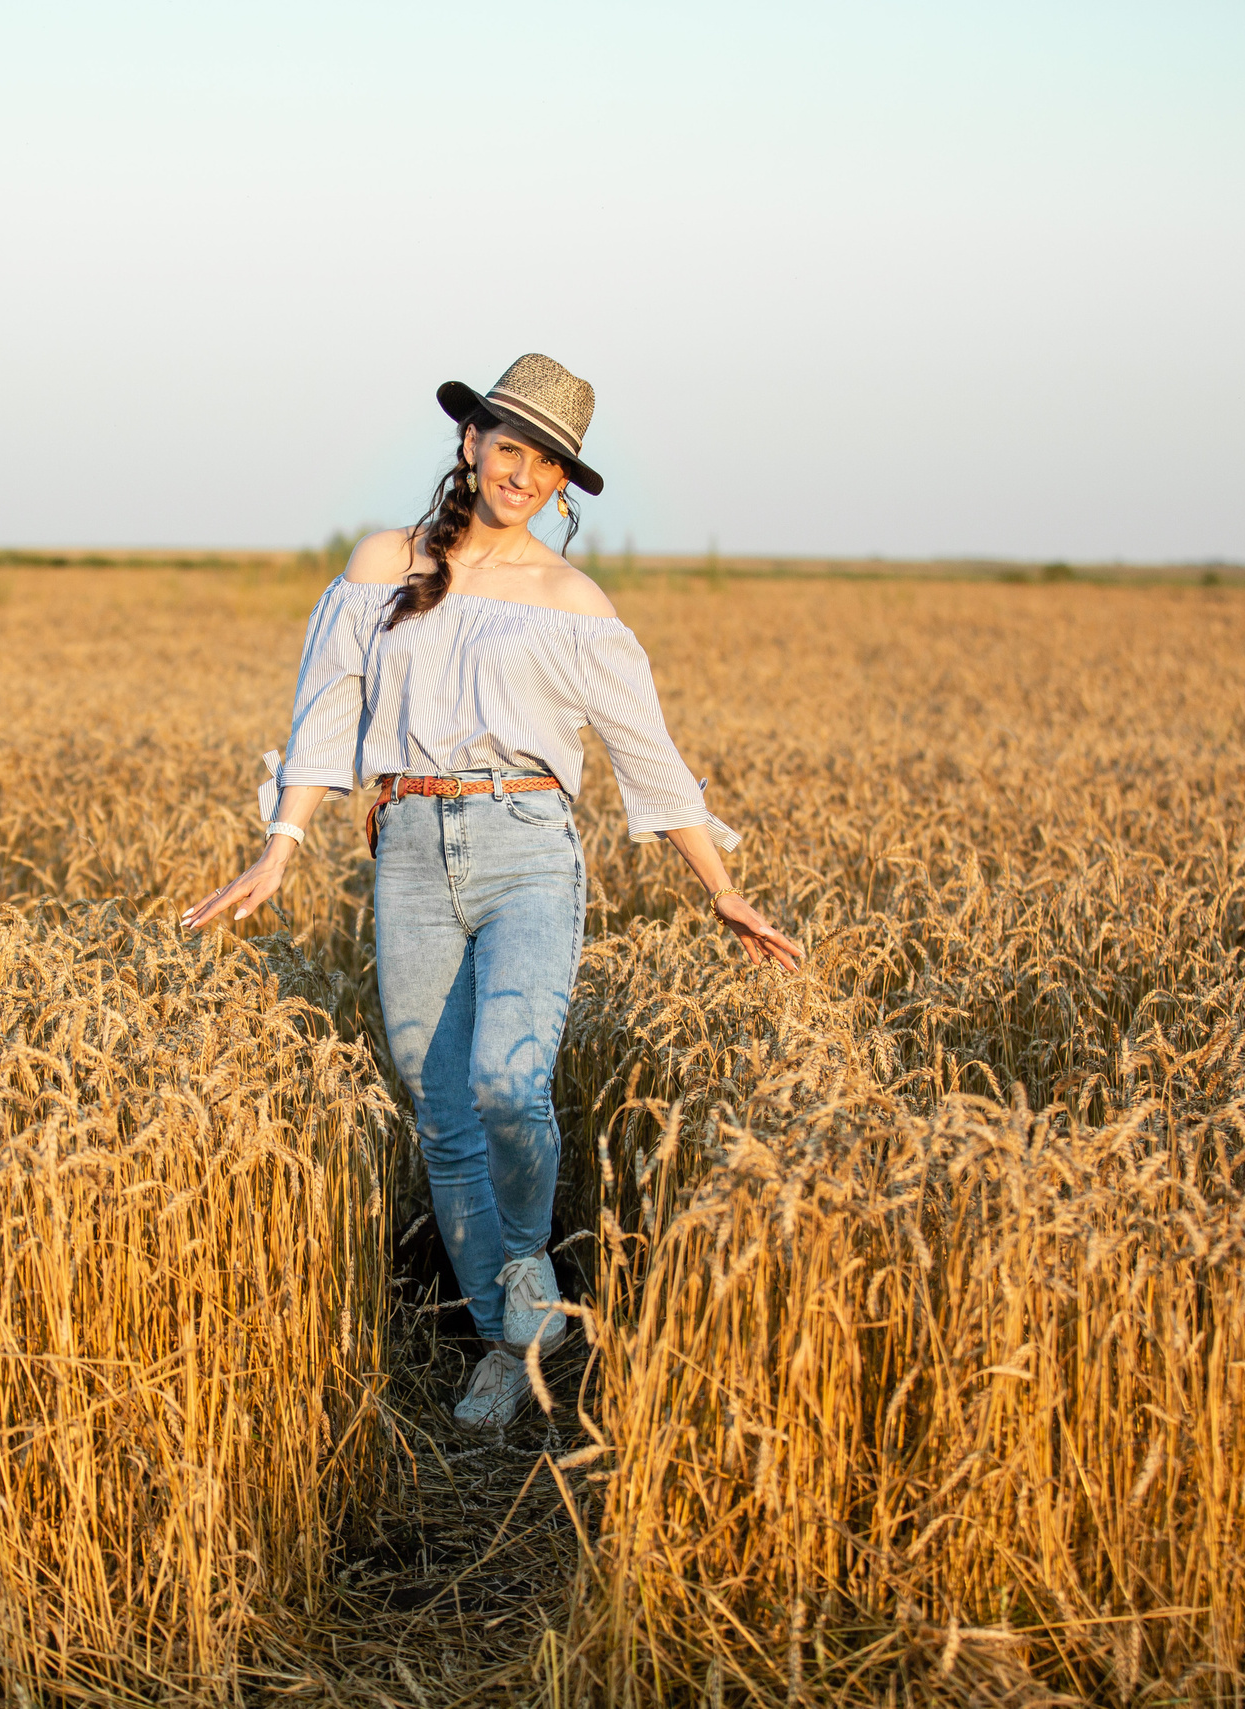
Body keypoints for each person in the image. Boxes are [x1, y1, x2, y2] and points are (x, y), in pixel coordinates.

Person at [185, 354, 802, 1427]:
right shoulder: (384, 560)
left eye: (546, 461)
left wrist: (721, 889)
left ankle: (527, 1292)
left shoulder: (573, 602)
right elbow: (326, 708)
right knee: (441, 1109)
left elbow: (646, 754)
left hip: (528, 849)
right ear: (470, 444)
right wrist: (281, 843)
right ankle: (505, 1339)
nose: (521, 472)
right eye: (507, 446)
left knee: (509, 1085)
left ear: (562, 482)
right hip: (410, 847)